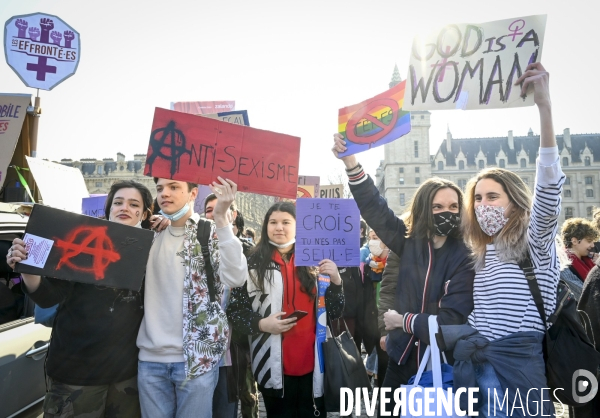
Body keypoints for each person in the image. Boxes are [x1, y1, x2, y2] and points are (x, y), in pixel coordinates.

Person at [439, 63, 561, 417]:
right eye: (477, 198)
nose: (483, 205)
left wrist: (545, 107)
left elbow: (549, 187)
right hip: (477, 366)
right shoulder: (481, 248)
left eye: (493, 197)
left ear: (515, 200)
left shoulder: (534, 240)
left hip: (518, 370)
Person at [332, 132, 475, 415]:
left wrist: (404, 321)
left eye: (453, 207)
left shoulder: (465, 257)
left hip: (442, 361)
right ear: (424, 209)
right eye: (438, 207)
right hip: (401, 355)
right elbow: (375, 209)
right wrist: (350, 163)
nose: (446, 212)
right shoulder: (408, 243)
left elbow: (451, 320)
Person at [5, 180, 157, 417]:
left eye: (133, 203)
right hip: (75, 378)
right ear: (109, 209)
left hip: (126, 378)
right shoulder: (80, 241)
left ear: (145, 213)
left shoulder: (153, 251)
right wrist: (26, 267)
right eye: (118, 202)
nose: (124, 208)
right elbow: (46, 297)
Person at [136, 177, 248, 418]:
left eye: (174, 187)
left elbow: (237, 277)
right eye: (159, 189)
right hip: (150, 361)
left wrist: (221, 219)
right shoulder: (148, 236)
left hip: (198, 361)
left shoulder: (209, 233)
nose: (165, 193)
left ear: (193, 194)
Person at [227, 201, 345, 417]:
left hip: (315, 365)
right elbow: (235, 312)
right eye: (273, 222)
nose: (278, 227)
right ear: (265, 226)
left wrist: (336, 281)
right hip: (271, 366)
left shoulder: (316, 262)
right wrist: (262, 324)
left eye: (285, 222)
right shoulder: (251, 263)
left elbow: (334, 312)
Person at [204, 192, 258, 418]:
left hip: (238, 345)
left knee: (244, 397)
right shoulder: (198, 247)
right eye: (209, 210)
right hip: (205, 347)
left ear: (233, 215)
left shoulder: (250, 252)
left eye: (221, 209)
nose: (214, 214)